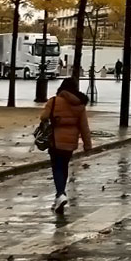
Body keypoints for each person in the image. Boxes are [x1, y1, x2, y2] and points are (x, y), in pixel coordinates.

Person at [40, 77, 92, 214]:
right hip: (70, 142)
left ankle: (60, 194)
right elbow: (84, 127)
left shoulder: (54, 101)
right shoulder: (79, 105)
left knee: (56, 167)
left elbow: (43, 117)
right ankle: (60, 195)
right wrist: (87, 145)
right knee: (64, 167)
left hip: (55, 140)